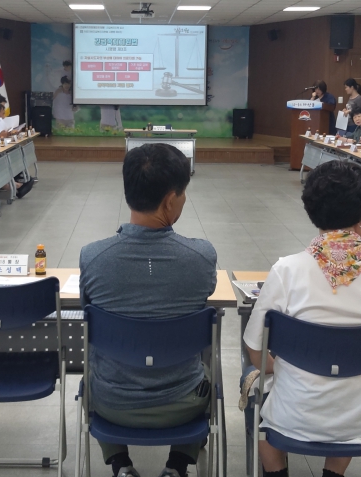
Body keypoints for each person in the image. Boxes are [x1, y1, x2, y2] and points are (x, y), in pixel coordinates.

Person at [244, 161, 361, 477]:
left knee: (252, 380)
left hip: (292, 417)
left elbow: (256, 350)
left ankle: (275, 471)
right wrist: (359, 368)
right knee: (357, 384)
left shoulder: (286, 270)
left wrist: (290, 366)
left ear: (311, 211)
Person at [80, 144, 218, 477]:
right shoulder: (201, 258)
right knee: (208, 369)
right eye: (183, 194)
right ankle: (178, 465)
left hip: (111, 402)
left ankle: (120, 465)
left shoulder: (93, 258)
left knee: (98, 363)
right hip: (183, 403)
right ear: (170, 200)